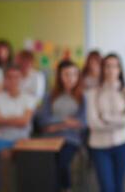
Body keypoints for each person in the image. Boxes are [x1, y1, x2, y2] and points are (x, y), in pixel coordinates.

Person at [86, 54, 125, 192]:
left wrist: (106, 118)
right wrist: (120, 120)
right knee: (107, 188)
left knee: (119, 187)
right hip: (99, 147)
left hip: (123, 144)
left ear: (119, 69)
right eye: (107, 66)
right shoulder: (92, 93)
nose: (111, 70)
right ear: (102, 69)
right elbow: (93, 123)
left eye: (114, 66)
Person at [36, 60, 86, 192]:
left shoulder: (82, 97)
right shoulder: (49, 96)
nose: (71, 78)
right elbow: (43, 120)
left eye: (74, 74)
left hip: (71, 140)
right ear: (59, 76)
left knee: (61, 163)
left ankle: (66, 188)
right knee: (48, 166)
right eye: (67, 74)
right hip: (49, 139)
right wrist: (66, 121)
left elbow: (82, 122)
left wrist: (57, 125)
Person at [0, 65, 35, 192]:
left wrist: (3, 119)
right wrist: (15, 119)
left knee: (25, 174)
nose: (13, 80)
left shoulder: (28, 98)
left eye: (16, 77)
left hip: (23, 141)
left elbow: (24, 121)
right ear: (5, 80)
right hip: (2, 140)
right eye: (9, 77)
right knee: (5, 171)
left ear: (21, 80)